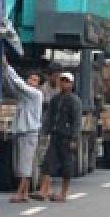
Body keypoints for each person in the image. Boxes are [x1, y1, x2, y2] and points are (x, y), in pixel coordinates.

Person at [35, 71, 83, 202]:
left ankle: (63, 193)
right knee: (47, 163)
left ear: (72, 84)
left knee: (66, 167)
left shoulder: (75, 101)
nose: (64, 83)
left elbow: (77, 122)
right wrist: (44, 131)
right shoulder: (55, 99)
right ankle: (44, 191)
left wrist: (74, 138)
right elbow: (49, 117)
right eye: (62, 80)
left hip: (67, 138)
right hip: (55, 136)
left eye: (67, 81)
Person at [2, 58, 43, 203]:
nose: (32, 81)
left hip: (29, 132)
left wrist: (8, 67)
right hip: (22, 132)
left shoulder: (35, 94)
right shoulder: (24, 96)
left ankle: (20, 193)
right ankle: (24, 193)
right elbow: (12, 86)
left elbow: (19, 84)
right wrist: (5, 71)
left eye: (35, 80)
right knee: (22, 163)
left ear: (38, 85)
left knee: (25, 164)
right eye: (31, 79)